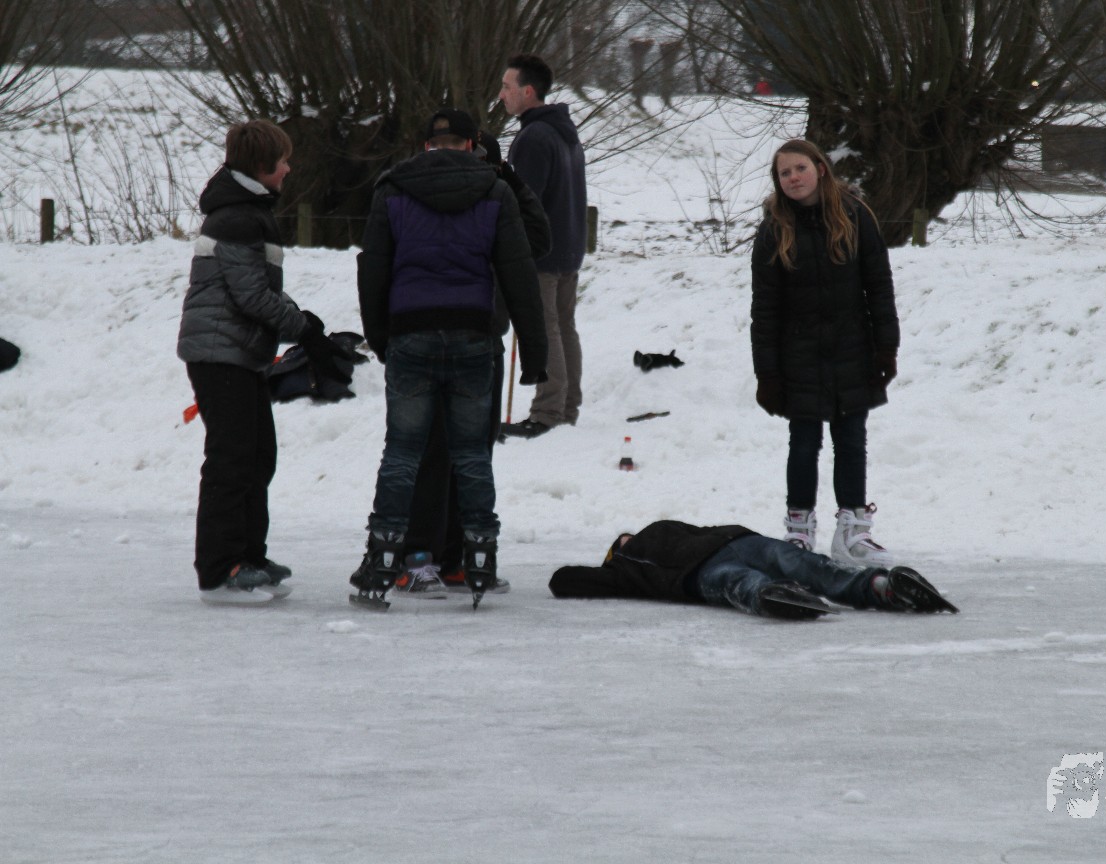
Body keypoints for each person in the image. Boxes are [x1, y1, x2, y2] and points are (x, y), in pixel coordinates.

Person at [351, 108, 548, 607]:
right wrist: (535, 353)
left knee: (403, 452)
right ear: (471, 146)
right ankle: (475, 557)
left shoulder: (393, 188)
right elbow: (521, 272)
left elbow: (373, 269)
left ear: (426, 146)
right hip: (473, 332)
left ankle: (392, 557)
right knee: (471, 453)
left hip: (412, 331)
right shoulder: (493, 190)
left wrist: (380, 337)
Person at [177, 119, 350, 605]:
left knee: (257, 456)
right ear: (261, 166)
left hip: (239, 352)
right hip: (219, 352)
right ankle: (220, 570)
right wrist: (305, 333)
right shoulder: (236, 216)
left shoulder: (248, 210)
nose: (289, 169)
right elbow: (251, 295)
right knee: (232, 459)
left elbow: (257, 287)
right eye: (283, 161)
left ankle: (249, 556)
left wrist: (304, 323)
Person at [750, 139, 900, 569]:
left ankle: (853, 529)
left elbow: (879, 286)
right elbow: (764, 309)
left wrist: (886, 347)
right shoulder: (774, 230)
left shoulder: (855, 216)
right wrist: (767, 374)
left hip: (853, 349)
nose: (793, 177)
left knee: (851, 439)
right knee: (804, 441)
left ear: (819, 168)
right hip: (798, 355)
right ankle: (799, 528)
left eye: (800, 168)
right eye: (784, 173)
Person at [549, 520, 958, 619]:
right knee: (740, 583)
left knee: (813, 566)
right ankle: (774, 597)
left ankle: (884, 587)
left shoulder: (660, 527)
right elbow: (562, 580)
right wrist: (611, 566)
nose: (625, 536)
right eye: (619, 542)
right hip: (697, 573)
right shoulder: (624, 571)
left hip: (738, 541)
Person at [496, 53, 587, 439]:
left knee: (546, 328)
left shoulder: (534, 137)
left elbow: (523, 202)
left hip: (542, 252)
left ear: (528, 91)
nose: (501, 94)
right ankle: (565, 408)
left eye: (507, 87)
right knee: (562, 325)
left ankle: (548, 412)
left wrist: (512, 248)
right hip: (568, 246)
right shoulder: (563, 131)